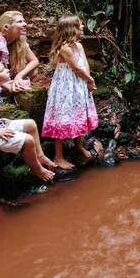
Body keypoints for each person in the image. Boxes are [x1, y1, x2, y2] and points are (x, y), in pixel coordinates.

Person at [42, 15, 98, 170]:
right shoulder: (65, 49)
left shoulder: (78, 46)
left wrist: (87, 79)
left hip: (78, 85)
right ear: (70, 29)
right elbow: (76, 68)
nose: (82, 28)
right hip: (65, 88)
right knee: (63, 117)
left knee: (77, 114)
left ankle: (78, 145)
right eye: (79, 26)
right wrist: (90, 80)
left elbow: (84, 63)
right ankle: (58, 156)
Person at [0, 10, 39, 92]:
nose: (25, 24)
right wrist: (9, 87)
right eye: (20, 22)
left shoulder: (19, 40)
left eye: (24, 21)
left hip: (2, 75)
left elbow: (34, 61)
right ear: (6, 27)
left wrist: (19, 76)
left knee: (33, 72)